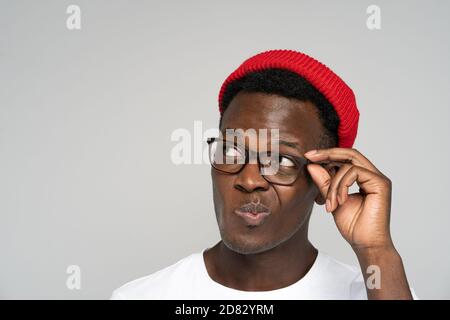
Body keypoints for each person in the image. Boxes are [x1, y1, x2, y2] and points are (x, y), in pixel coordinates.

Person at [111, 49, 416, 299]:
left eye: (281, 159)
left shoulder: (381, 292)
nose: (249, 180)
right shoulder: (143, 296)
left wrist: (376, 250)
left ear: (328, 179)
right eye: (231, 151)